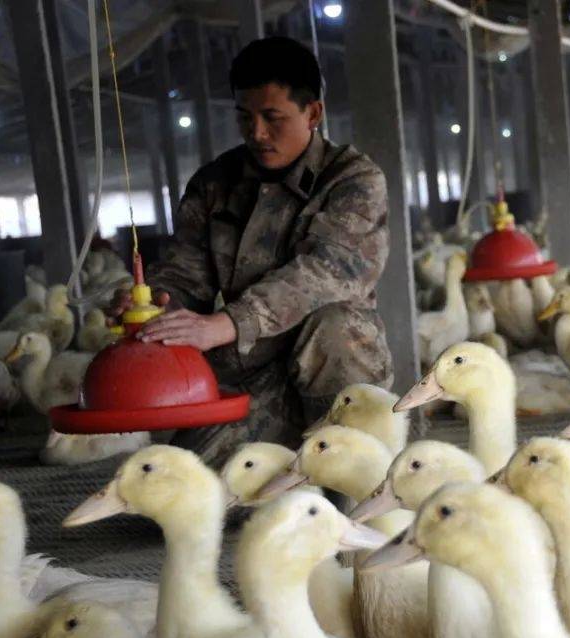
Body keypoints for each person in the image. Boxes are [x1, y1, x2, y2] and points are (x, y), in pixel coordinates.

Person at [111, 37, 392, 466]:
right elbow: (185, 277)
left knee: (334, 325)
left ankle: (356, 472)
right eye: (244, 117)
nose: (256, 133)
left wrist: (228, 323)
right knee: (191, 485)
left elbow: (326, 272)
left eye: (272, 117)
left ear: (312, 113)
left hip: (334, 372)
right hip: (252, 370)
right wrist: (153, 307)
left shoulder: (353, 180)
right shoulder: (214, 184)